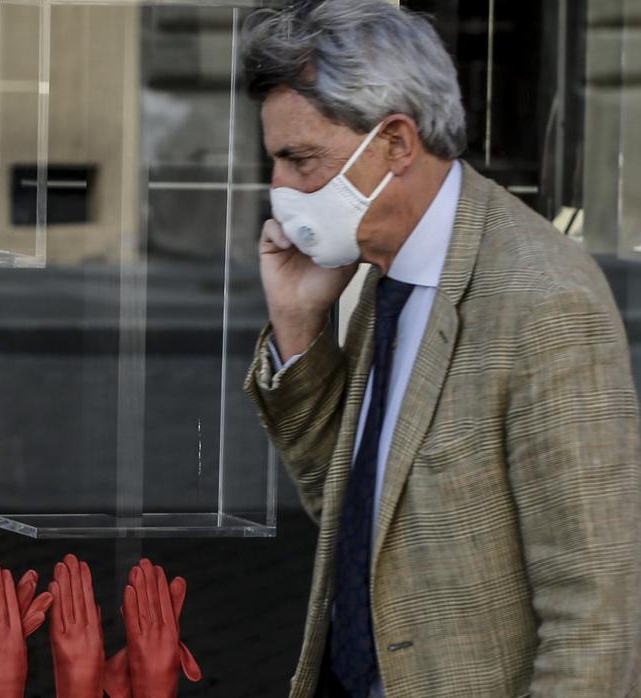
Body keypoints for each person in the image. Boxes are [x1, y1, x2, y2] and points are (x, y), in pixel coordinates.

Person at [240, 2, 641, 697]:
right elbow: (349, 506)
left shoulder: (542, 300)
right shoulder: (387, 272)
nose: (281, 188)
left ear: (395, 142)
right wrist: (300, 326)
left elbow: (595, 617)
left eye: (299, 159)